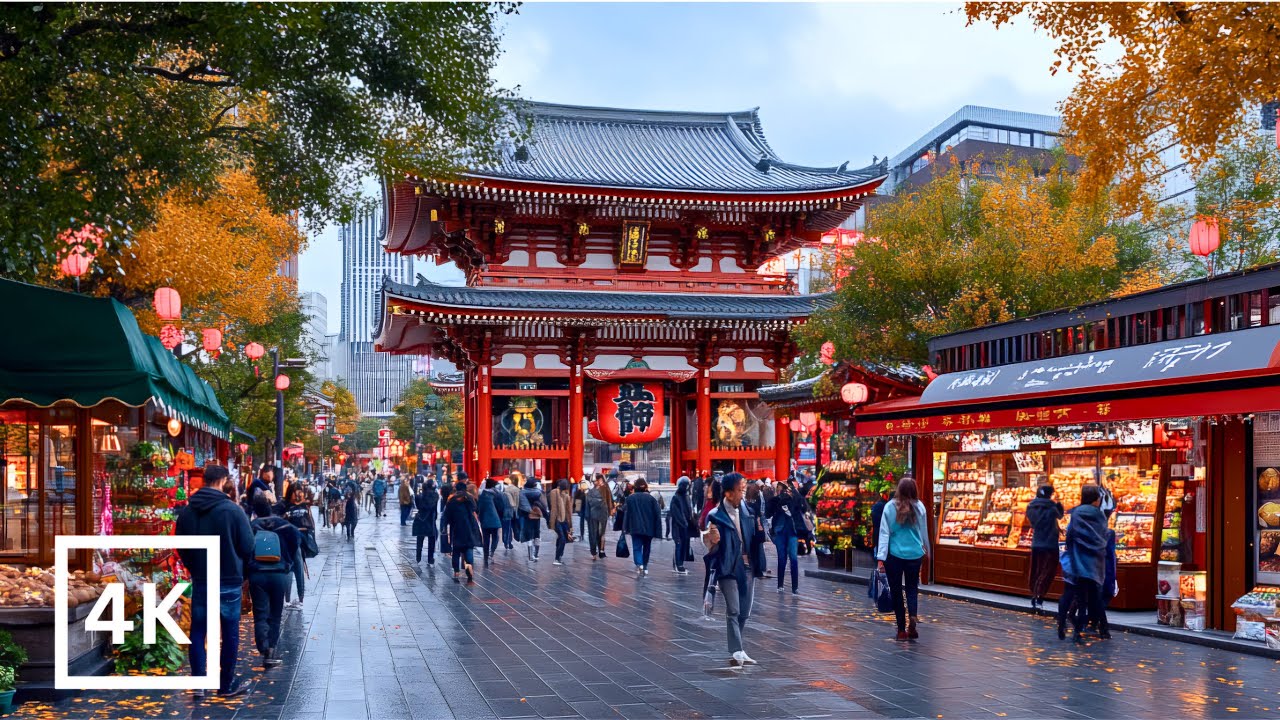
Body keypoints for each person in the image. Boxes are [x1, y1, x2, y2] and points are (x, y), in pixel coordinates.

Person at [175, 465, 254, 698]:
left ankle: (199, 683)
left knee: (198, 631)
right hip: (228, 579)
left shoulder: (188, 512)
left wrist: (194, 568)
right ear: (223, 481)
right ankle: (225, 684)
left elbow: (182, 548)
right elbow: (248, 546)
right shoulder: (233, 511)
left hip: (202, 579)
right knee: (229, 632)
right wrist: (242, 568)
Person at [703, 473, 764, 667]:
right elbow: (708, 540)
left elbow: (756, 538)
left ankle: (739, 646)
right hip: (727, 566)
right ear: (728, 493)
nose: (743, 493)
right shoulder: (716, 515)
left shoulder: (749, 511)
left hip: (748, 566)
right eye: (740, 490)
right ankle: (737, 650)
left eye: (744, 489)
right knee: (734, 609)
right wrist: (712, 539)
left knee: (744, 611)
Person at [248, 493, 301, 669]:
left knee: (260, 612)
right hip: (279, 573)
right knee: (276, 614)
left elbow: (244, 546)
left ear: (254, 510)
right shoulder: (284, 525)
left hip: (257, 574)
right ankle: (271, 649)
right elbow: (296, 540)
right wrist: (287, 559)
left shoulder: (252, 526)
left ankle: (262, 645)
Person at [876, 477, 930, 641]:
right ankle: (912, 616)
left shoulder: (889, 507)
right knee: (912, 587)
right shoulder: (920, 507)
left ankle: (901, 629)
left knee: (897, 590)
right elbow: (924, 531)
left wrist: (881, 557)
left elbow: (884, 533)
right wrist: (926, 549)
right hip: (915, 554)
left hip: (895, 555)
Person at [1063, 484, 1111, 643]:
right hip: (1095, 562)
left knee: (1081, 599)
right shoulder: (1100, 516)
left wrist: (1072, 553)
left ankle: (1077, 632)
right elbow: (1105, 535)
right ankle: (1104, 630)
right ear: (1096, 500)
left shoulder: (1076, 513)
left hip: (1079, 560)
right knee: (1096, 597)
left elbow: (1070, 536)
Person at [1025, 484, 1065, 613]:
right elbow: (1060, 516)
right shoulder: (1052, 507)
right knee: (1048, 570)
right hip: (1050, 543)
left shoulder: (1030, 507)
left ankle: (1034, 594)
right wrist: (1060, 506)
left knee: (1036, 569)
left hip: (1036, 542)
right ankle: (1040, 594)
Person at [767, 478, 810, 595]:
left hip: (793, 532)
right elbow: (768, 513)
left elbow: (804, 507)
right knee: (781, 558)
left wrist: (795, 494)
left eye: (786, 489)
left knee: (793, 558)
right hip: (780, 531)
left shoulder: (796, 499)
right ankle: (780, 585)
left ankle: (795, 587)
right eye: (781, 489)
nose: (785, 492)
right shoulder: (776, 500)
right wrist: (776, 499)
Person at [280, 484, 315, 608]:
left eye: (300, 492)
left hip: (299, 542)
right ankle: (290, 599)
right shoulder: (286, 507)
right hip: (289, 542)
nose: (298, 495)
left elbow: (311, 524)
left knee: (296, 568)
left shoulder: (304, 506)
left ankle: (297, 599)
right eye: (295, 492)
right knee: (291, 569)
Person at [442, 479, 483, 582]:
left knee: (456, 550)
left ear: (456, 489)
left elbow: (447, 515)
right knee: (468, 548)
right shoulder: (470, 498)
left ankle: (456, 571)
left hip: (456, 527)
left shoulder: (452, 500)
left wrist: (444, 526)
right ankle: (469, 566)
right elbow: (475, 509)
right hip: (469, 527)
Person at [623, 478, 662, 577]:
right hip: (649, 528)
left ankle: (639, 563)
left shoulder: (630, 499)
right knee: (647, 547)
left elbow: (626, 513)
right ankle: (645, 565)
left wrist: (625, 528)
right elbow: (657, 515)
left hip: (635, 527)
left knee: (637, 547)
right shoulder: (651, 499)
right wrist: (658, 531)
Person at [518, 475, 549, 561]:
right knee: (537, 534)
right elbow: (544, 504)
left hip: (527, 516)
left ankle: (530, 555)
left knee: (529, 535)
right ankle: (536, 554)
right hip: (537, 516)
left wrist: (530, 510)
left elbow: (523, 504)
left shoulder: (522, 492)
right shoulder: (539, 492)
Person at [669, 476, 696, 574]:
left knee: (683, 544)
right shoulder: (676, 498)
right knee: (679, 544)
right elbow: (676, 513)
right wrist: (684, 522)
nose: (687, 487)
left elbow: (689, 511)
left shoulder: (686, 497)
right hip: (678, 526)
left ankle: (680, 563)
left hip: (685, 526)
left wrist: (691, 521)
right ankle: (678, 564)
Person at [585, 474, 615, 560]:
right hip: (599, 514)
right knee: (598, 533)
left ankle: (598, 552)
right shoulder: (600, 490)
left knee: (597, 533)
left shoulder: (594, 491)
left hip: (597, 514)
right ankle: (598, 551)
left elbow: (589, 503)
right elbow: (608, 500)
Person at [476, 478, 504, 565]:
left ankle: (485, 556)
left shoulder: (481, 495)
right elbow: (501, 507)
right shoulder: (498, 494)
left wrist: (480, 517)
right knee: (496, 537)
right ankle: (491, 553)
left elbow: (478, 508)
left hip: (484, 520)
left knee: (486, 538)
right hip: (495, 519)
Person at [413, 478, 440, 564]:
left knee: (420, 539)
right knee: (431, 540)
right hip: (430, 519)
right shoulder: (435, 496)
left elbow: (417, 505)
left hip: (421, 518)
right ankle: (430, 559)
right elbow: (435, 508)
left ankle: (418, 557)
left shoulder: (420, 496)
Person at [547, 478, 574, 566]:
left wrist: (570, 526)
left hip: (563, 520)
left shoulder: (566, 495)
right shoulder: (554, 492)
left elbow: (568, 511)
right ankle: (557, 558)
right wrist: (552, 523)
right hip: (557, 519)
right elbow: (554, 508)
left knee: (562, 538)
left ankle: (558, 557)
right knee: (562, 538)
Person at [501, 474, 521, 549]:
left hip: (507, 510)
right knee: (515, 527)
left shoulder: (506, 489)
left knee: (508, 527)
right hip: (515, 511)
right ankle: (515, 539)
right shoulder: (517, 489)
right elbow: (518, 502)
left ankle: (507, 542)